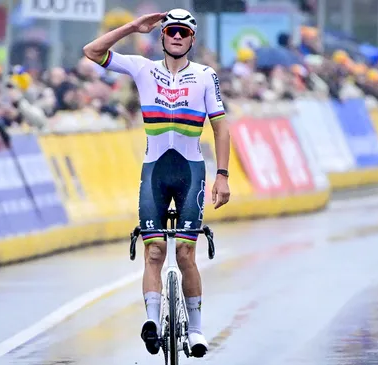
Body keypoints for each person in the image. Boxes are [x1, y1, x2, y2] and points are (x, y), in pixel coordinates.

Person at [83, 8, 231, 358]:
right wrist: (134, 27)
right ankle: (151, 323)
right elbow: (92, 51)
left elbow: (221, 127)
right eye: (171, 32)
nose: (176, 37)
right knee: (153, 251)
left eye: (183, 33)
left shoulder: (205, 76)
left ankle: (195, 330)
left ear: (192, 39)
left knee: (184, 253)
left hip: (191, 172)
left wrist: (222, 176)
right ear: (162, 36)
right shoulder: (142, 67)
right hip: (154, 173)